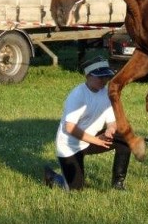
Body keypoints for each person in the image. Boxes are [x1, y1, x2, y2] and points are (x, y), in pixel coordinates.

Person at [44, 56, 131, 191]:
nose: (104, 80)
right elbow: (70, 127)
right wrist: (96, 140)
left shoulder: (106, 93)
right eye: (100, 77)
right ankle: (53, 177)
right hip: (70, 146)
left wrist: (110, 129)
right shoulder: (78, 95)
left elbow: (112, 121)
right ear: (88, 76)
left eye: (106, 77)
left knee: (125, 138)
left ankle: (118, 184)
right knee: (76, 189)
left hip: (92, 139)